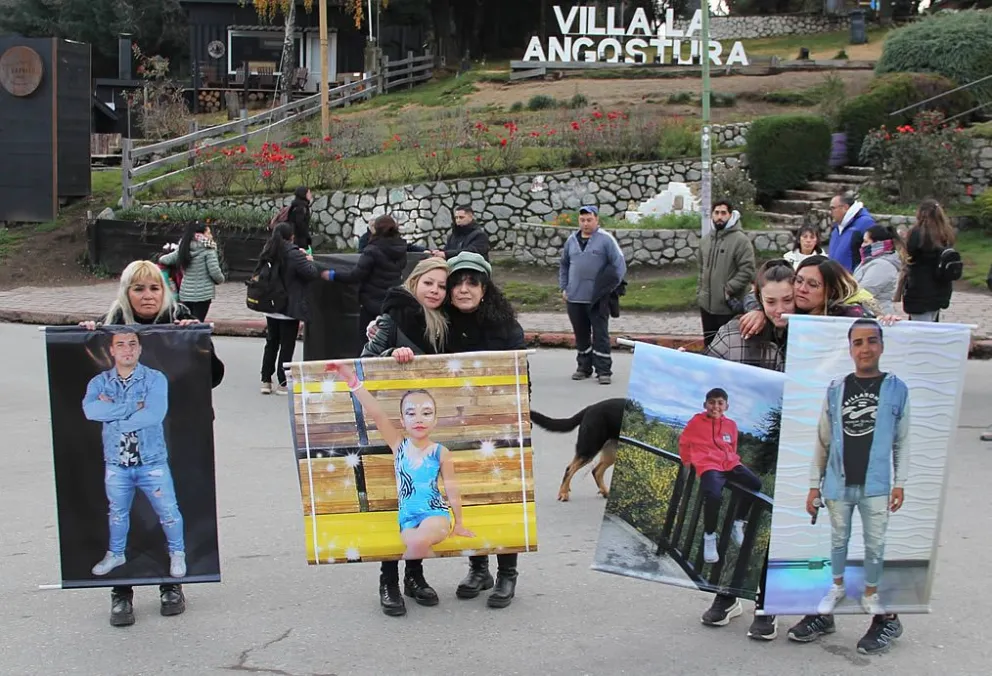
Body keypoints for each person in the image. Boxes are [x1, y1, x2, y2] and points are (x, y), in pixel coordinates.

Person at [79, 259, 224, 627]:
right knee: (119, 514)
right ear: (127, 293)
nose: (147, 295)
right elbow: (90, 405)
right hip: (117, 454)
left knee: (168, 510)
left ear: (165, 291)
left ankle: (170, 584)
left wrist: (198, 342)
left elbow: (212, 377)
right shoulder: (108, 325)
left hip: (166, 445)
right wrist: (83, 337)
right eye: (138, 288)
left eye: (154, 287)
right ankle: (121, 589)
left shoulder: (181, 320)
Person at [360, 257, 450, 616]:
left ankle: (414, 574)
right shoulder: (392, 316)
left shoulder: (442, 323)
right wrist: (388, 354)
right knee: (393, 503)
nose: (435, 291)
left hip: (425, 426)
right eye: (429, 283)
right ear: (414, 282)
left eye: (441, 286)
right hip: (393, 422)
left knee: (423, 504)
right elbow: (364, 361)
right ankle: (388, 579)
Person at [807, 318, 909, 624]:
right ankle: (836, 586)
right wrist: (815, 484)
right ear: (850, 349)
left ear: (882, 345)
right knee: (839, 539)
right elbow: (823, 438)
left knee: (875, 542)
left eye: (872, 341)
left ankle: (870, 592)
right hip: (838, 484)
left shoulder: (896, 389)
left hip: (876, 485)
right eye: (858, 342)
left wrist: (899, 482)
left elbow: (902, 440)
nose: (865, 348)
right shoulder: (837, 388)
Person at [441, 252, 527, 609]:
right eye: (457, 282)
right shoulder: (438, 322)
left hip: (499, 423)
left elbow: (521, 378)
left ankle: (507, 572)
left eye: (471, 282)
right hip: (455, 424)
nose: (463, 289)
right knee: (467, 494)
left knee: (501, 495)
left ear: (484, 288)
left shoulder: (506, 327)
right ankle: (479, 567)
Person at [326, 363, 473, 559]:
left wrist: (459, 523)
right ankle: (416, 584)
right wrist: (351, 379)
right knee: (415, 545)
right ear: (402, 421)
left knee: (419, 542)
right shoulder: (399, 446)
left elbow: (451, 487)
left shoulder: (440, 452)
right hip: (407, 520)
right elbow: (377, 414)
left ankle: (413, 583)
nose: (419, 419)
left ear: (435, 420)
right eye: (411, 413)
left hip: (435, 514)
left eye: (426, 413)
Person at [83, 329, 186, 583]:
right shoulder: (100, 383)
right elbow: (91, 410)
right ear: (112, 350)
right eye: (121, 344)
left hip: (151, 461)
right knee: (117, 512)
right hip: (117, 462)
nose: (127, 349)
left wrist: (114, 415)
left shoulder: (154, 379)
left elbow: (154, 414)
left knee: (169, 511)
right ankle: (116, 553)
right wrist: (133, 407)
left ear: (139, 349)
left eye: (132, 344)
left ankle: (177, 552)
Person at [678, 388, 761, 565]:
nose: (715, 406)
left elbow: (733, 446)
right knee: (714, 496)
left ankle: (738, 523)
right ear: (705, 404)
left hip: (730, 463)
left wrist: (732, 461)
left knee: (755, 484)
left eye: (720, 402)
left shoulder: (731, 424)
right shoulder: (696, 421)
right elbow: (684, 441)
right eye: (712, 402)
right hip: (708, 464)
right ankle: (709, 536)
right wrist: (686, 461)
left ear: (726, 406)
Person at [258, 223, 330, 395]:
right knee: (287, 343)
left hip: (271, 304)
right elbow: (310, 273)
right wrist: (308, 260)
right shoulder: (294, 254)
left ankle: (266, 380)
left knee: (271, 342)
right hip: (289, 306)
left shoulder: (268, 251)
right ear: (291, 236)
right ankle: (283, 383)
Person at [559, 205, 627, 385]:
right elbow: (564, 265)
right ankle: (583, 367)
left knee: (600, 334)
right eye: (582, 220)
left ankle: (604, 370)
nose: (586, 223)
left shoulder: (606, 240)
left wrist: (609, 289)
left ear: (597, 220)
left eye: (589, 219)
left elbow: (619, 266)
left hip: (598, 299)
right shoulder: (571, 241)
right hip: (574, 297)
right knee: (581, 335)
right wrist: (564, 287)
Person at [325, 215, 411, 330]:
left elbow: (356, 275)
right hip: (392, 302)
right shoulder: (401, 249)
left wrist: (333, 275)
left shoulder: (372, 250)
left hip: (372, 303)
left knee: (368, 341)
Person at [696, 200, 756, 347]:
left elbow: (747, 270)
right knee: (709, 345)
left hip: (728, 307)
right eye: (716, 213)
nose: (719, 216)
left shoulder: (741, 241)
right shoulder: (705, 241)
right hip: (706, 306)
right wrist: (700, 292)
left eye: (723, 213)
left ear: (730, 215)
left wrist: (728, 289)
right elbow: (701, 268)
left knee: (728, 347)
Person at [158, 221, 225, 322]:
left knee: (186, 322)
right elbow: (214, 272)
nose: (211, 236)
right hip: (203, 294)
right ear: (200, 235)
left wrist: (161, 258)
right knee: (197, 322)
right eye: (208, 233)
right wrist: (221, 280)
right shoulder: (208, 249)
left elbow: (166, 259)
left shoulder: (184, 247)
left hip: (185, 293)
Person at [902, 199, 956, 322]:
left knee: (919, 331)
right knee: (933, 324)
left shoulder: (918, 233)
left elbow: (910, 256)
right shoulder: (946, 233)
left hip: (920, 290)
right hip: (940, 288)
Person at [853, 225, 904, 315]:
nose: (862, 245)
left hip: (879, 315)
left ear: (877, 244)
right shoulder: (869, 261)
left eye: (865, 242)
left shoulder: (883, 265)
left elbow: (865, 291)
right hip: (870, 313)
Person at [827, 191, 876, 272]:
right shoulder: (837, 227)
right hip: (834, 280)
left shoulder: (865, 223)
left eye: (832, 208)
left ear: (845, 207)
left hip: (852, 280)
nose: (830, 212)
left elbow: (873, 255)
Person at [288, 186, 313, 253]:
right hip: (300, 241)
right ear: (303, 194)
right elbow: (300, 225)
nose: (311, 195)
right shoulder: (301, 208)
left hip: (297, 239)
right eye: (309, 193)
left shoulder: (297, 205)